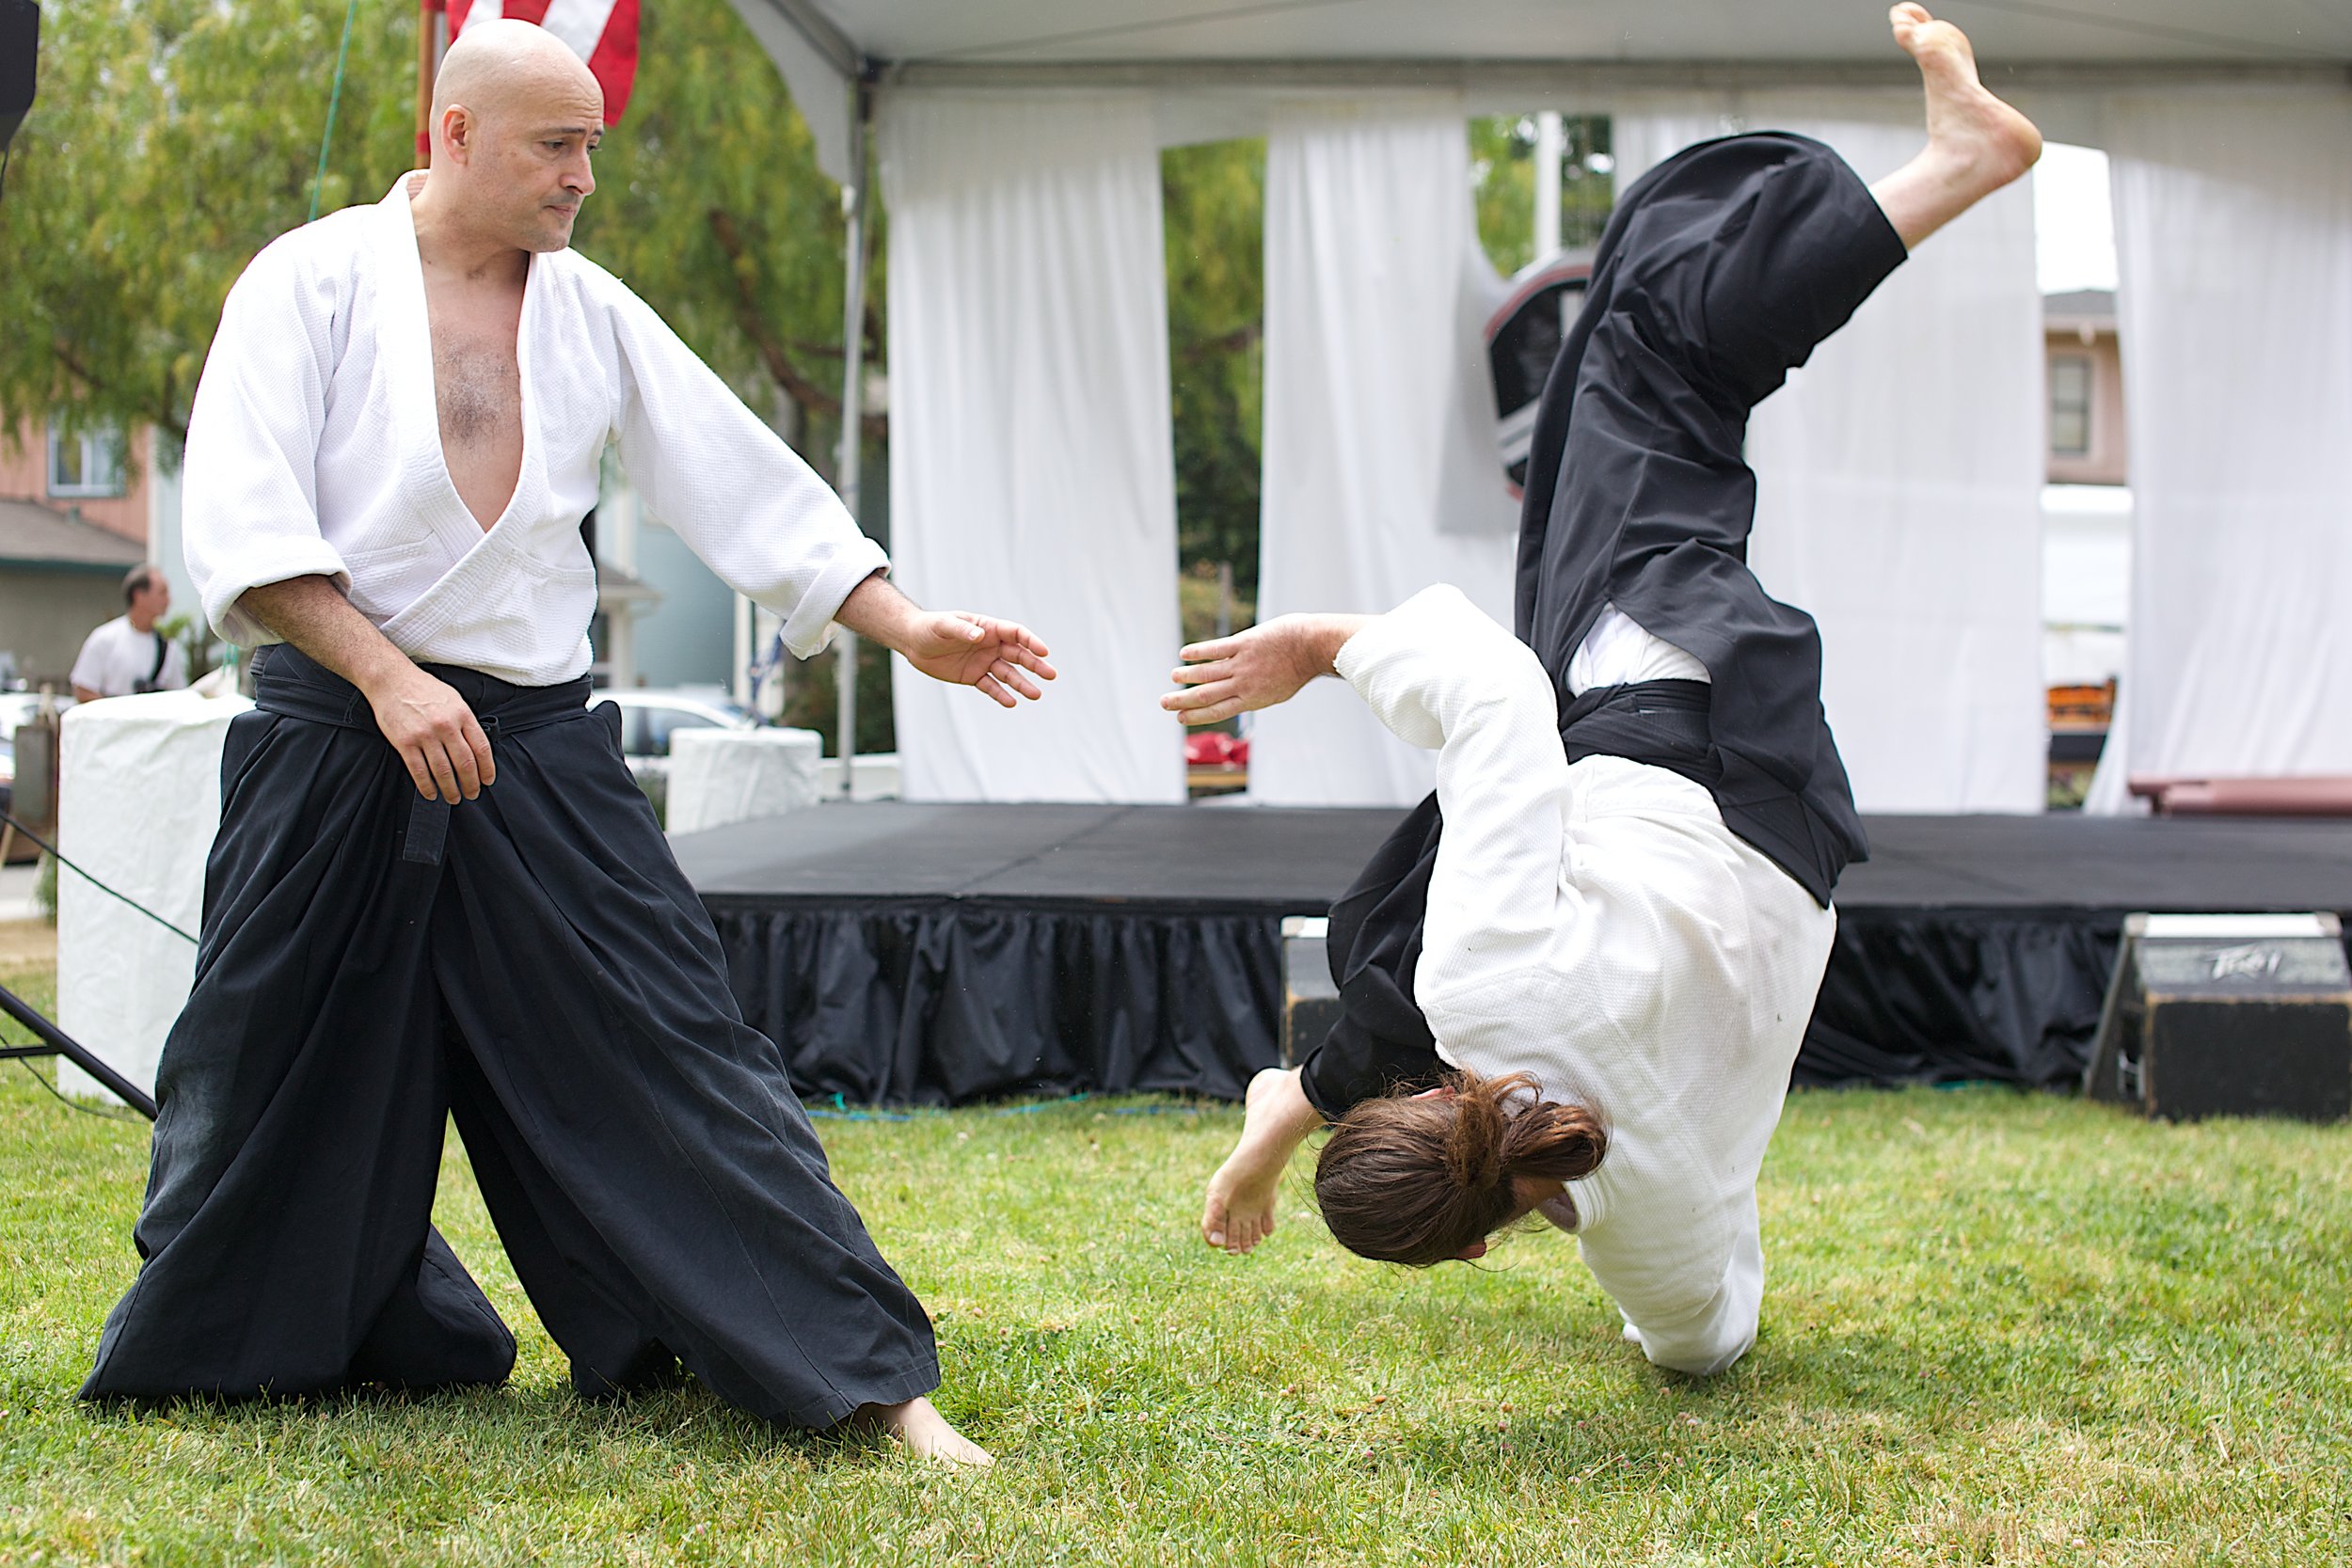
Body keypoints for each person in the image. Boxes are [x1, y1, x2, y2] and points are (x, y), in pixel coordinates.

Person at [77, 22, 1052, 1465]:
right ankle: (244, 1334)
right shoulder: (311, 280)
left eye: (592, 143)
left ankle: (863, 1374)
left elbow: (738, 477)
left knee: (677, 1048)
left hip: (534, 750)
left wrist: (902, 623)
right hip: (336, 740)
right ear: (455, 133)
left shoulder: (588, 310)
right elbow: (242, 520)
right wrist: (388, 676)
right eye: (557, 143)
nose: (585, 174)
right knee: (272, 1070)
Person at [1168, 6, 2041, 1376]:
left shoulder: (1648, 1227)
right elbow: (1492, 694)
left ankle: (1294, 1100)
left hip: (1789, 826)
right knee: (1649, 358)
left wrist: (1622, 1261)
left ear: (1473, 1241)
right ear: (1436, 1104)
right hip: (1666, 702)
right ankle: (1957, 166)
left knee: (1411, 906)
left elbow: (1706, 1336)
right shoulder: (1480, 990)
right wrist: (1320, 646)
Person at [70, 564, 187, 703]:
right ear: (139, 596)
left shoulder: (167, 648)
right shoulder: (105, 639)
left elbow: (179, 698)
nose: (168, 600)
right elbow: (83, 690)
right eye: (162, 593)